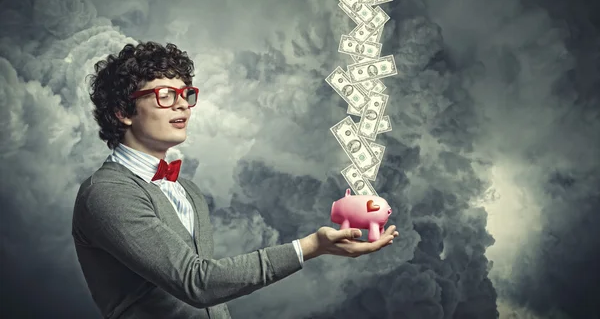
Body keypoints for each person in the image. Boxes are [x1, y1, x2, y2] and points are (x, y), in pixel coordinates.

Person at [72, 41, 399, 319]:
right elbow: (198, 283)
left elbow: (212, 302)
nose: (183, 104)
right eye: (165, 95)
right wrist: (311, 247)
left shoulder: (188, 191)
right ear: (123, 112)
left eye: (185, 94)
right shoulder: (106, 193)